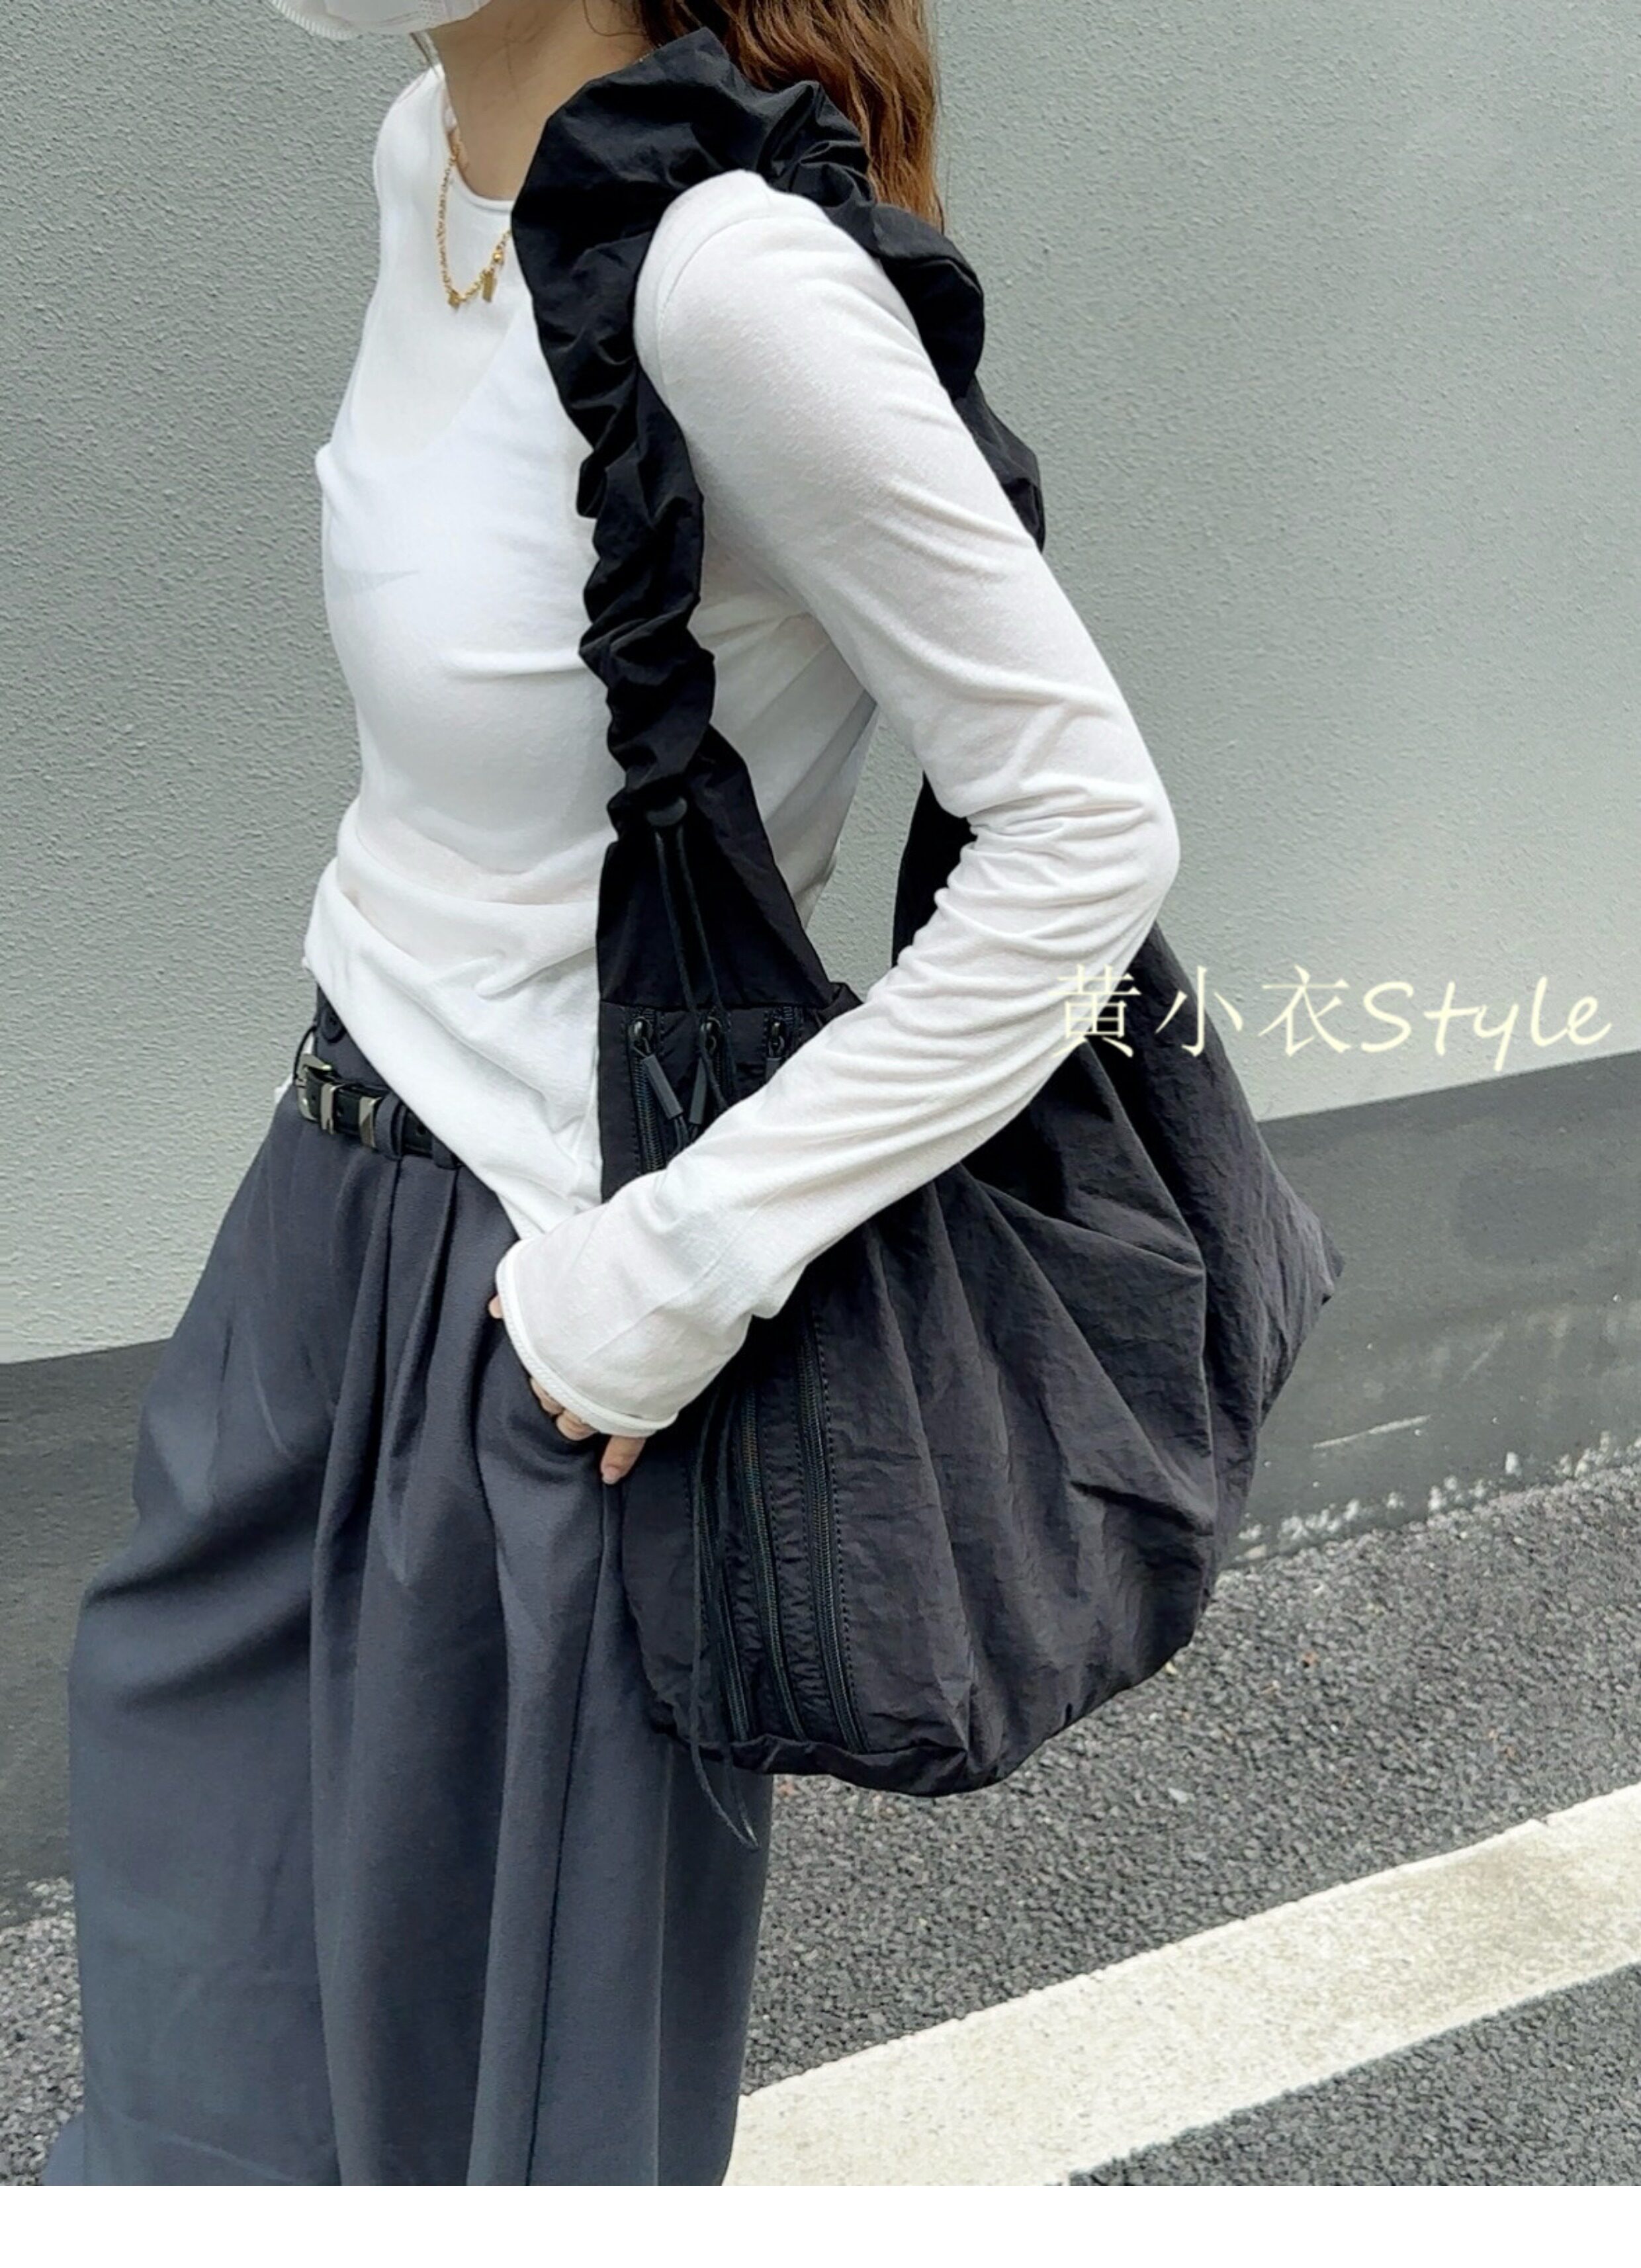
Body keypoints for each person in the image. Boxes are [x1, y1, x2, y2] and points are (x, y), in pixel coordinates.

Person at [42, 0, 1182, 2186]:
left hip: (556, 1306)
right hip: (318, 1228)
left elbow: (1085, 831)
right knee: (207, 2042)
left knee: (510, 2127)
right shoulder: (432, 163)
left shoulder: (728, 279)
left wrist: (679, 1265)